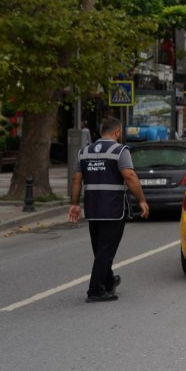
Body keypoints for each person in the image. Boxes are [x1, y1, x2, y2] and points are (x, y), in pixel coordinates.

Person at [68, 117, 149, 303]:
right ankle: (95, 290)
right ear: (118, 131)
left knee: (100, 249)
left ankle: (108, 280)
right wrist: (142, 200)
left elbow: (76, 180)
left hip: (92, 208)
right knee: (106, 250)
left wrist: (74, 204)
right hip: (113, 209)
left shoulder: (84, 152)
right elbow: (129, 175)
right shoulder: (120, 150)